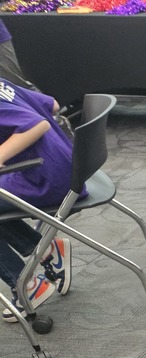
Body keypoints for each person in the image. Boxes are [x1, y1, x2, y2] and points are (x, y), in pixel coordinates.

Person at [0, 78, 74, 322]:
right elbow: (52, 105)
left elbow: (37, 124)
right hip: (68, 169)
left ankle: (26, 284)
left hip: (45, 178)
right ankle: (46, 251)